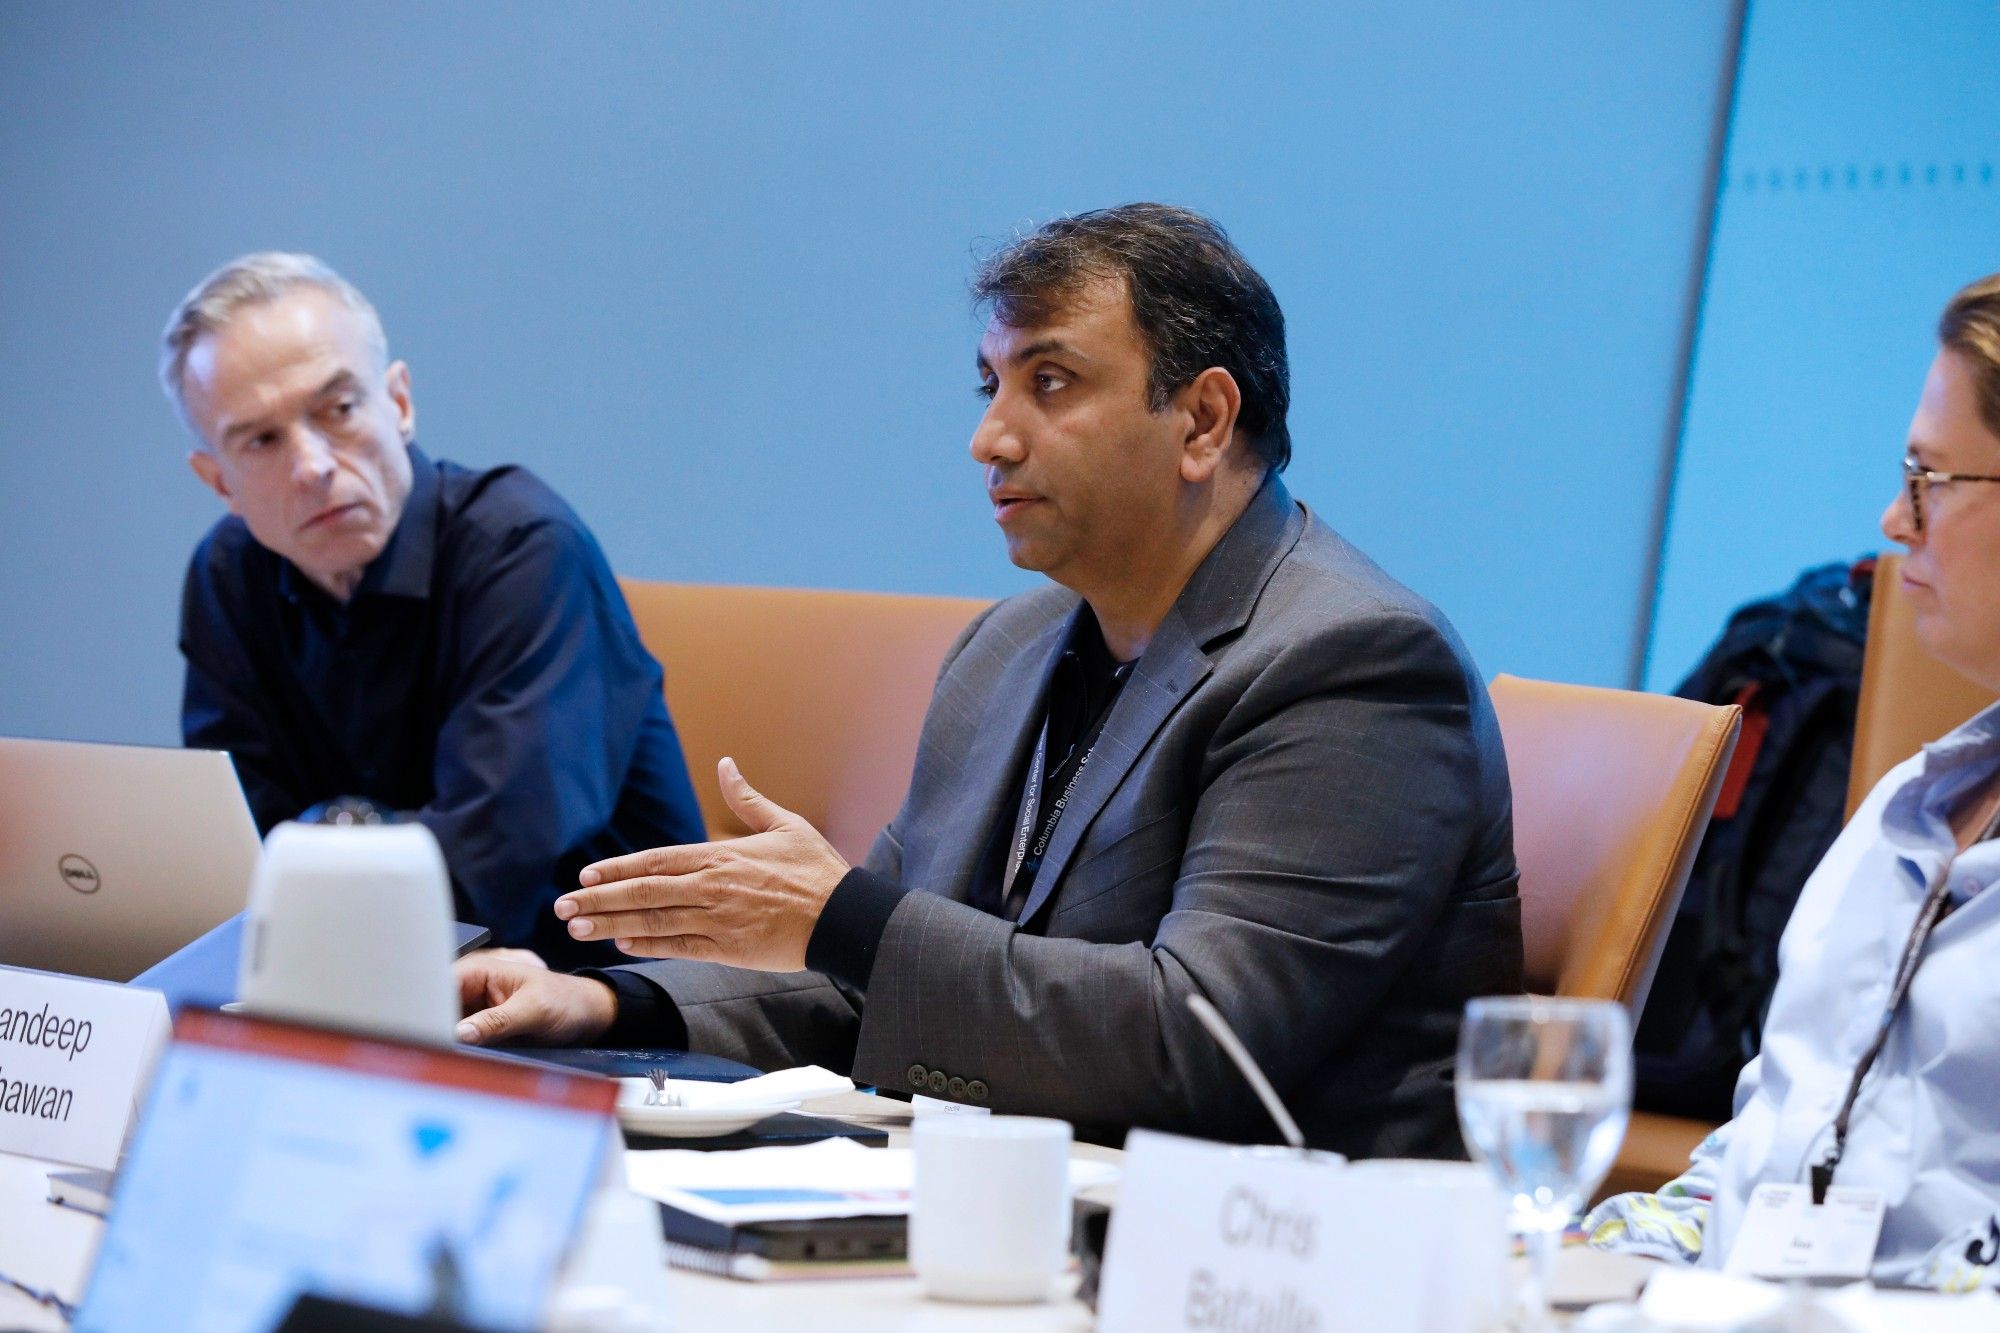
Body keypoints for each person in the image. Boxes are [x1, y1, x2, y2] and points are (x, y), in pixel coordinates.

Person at [455, 205, 1523, 1156]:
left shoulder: (1354, 663)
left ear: (1201, 419)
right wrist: (600, 1004)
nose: (987, 438)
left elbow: (1196, 1042)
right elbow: (865, 981)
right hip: (1018, 1203)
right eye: (991, 384)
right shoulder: (1009, 649)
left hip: (1276, 1264)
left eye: (1048, 383)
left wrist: (842, 917)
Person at [1586, 272, 2000, 1289]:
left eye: (1925, 477)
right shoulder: (1909, 810)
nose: (1891, 521)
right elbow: (1754, 1165)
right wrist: (1563, 1261)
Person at [164, 252, 706, 967]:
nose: (314, 465)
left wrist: (313, 863)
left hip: (601, 1010)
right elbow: (237, 846)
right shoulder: (228, 576)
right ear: (219, 482)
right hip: (364, 997)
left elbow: (487, 864)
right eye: (262, 440)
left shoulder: (524, 548)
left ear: (400, 403)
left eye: (339, 408)